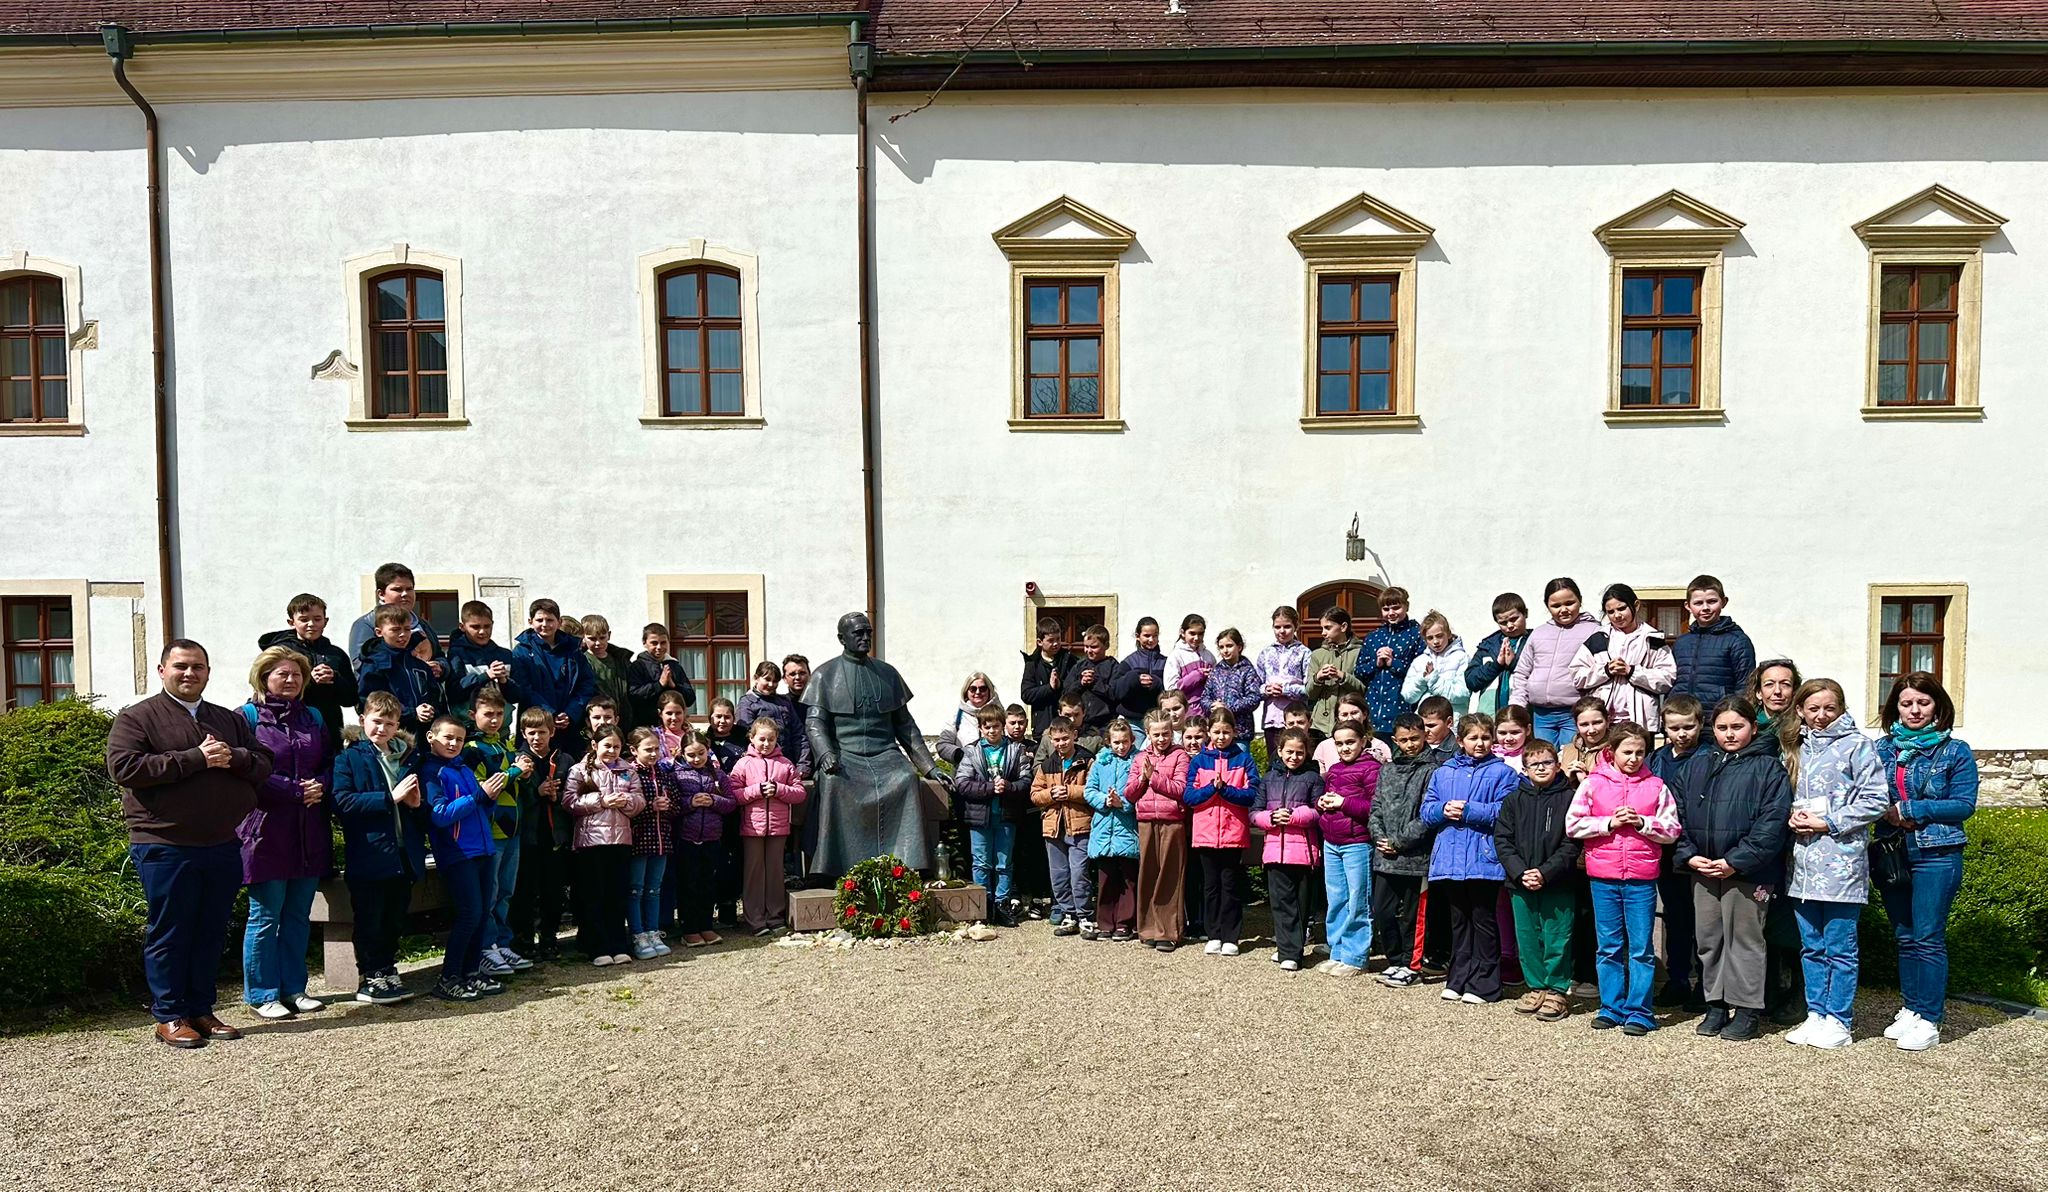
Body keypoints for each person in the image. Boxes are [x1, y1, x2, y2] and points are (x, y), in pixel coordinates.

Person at [106, 640, 273, 1049]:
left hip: (221, 841)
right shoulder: (138, 718)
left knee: (211, 930)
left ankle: (200, 1008)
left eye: (198, 667)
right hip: (164, 842)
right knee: (171, 931)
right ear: (162, 671)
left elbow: (263, 763)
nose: (189, 673)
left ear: (208, 672)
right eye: (181, 666)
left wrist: (233, 756)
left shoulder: (226, 719)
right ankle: (169, 1014)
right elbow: (124, 767)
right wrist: (195, 758)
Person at [1672, 696, 1792, 1042]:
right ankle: (1716, 1004)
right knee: (1709, 939)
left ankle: (1747, 1009)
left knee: (1745, 940)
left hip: (1748, 872)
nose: (1729, 734)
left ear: (1753, 727)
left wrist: (1735, 861)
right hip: (1703, 869)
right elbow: (1675, 815)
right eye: (1722, 727)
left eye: (1737, 726)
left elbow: (1772, 823)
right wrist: (1688, 855)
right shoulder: (1695, 766)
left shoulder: (1769, 768)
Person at [1783, 678, 1889, 1050]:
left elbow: (1876, 799)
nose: (1821, 715)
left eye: (1829, 708)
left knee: (1840, 948)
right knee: (1811, 946)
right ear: (1800, 710)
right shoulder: (1796, 748)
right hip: (1802, 863)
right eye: (1813, 708)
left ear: (1841, 708)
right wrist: (1792, 817)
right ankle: (1816, 1014)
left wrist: (1828, 822)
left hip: (1841, 861)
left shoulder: (1858, 745)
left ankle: (1839, 1020)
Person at [1873, 672, 1977, 1052]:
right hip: (1893, 851)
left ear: (1937, 706)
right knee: (1904, 935)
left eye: (1923, 702)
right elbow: (1867, 794)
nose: (1915, 710)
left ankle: (1930, 1019)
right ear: (1895, 708)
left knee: (1928, 936)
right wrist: (1886, 811)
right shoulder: (1882, 749)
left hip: (1937, 853)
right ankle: (1912, 1008)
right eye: (1906, 703)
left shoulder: (1955, 751)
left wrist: (1911, 809)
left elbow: (1963, 804)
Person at [235, 646, 334, 1021]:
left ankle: (294, 988)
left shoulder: (313, 717)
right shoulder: (246, 718)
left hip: (309, 827)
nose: (291, 680)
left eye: (297, 674)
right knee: (265, 915)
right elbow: (245, 769)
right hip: (265, 829)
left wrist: (321, 785)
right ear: (264, 678)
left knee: (298, 914)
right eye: (283, 674)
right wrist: (293, 791)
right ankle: (262, 994)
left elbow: (329, 761)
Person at [801, 611, 941, 877]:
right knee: (832, 782)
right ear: (842, 638)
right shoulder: (824, 675)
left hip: (885, 754)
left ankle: (907, 866)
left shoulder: (888, 674)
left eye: (868, 632)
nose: (865, 637)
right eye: (858, 633)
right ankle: (832, 868)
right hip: (846, 754)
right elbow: (815, 723)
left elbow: (906, 726)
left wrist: (930, 768)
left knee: (908, 778)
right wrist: (826, 753)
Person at [1567, 723, 1681, 1035]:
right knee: (1608, 945)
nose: (1633, 758)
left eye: (1640, 752)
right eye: (1627, 752)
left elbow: (1672, 829)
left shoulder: (1656, 786)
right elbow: (1573, 825)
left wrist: (1643, 823)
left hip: (1641, 879)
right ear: (1611, 752)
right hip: (1603, 877)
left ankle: (1640, 1011)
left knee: (1641, 947)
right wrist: (1608, 823)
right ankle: (1611, 1007)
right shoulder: (1592, 784)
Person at [331, 691, 427, 1004]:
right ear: (363, 721)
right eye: (376, 721)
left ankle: (387, 968)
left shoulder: (408, 757)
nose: (382, 729)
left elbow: (418, 806)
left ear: (398, 725)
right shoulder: (349, 758)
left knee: (394, 917)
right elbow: (342, 802)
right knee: (370, 918)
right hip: (370, 852)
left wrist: (416, 805)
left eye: (389, 723)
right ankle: (370, 976)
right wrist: (390, 798)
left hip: (403, 852)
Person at [1419, 712, 1518, 1003]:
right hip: (1449, 857)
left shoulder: (1503, 773)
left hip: (1483, 856)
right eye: (1473, 737)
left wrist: (1470, 810)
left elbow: (1507, 812)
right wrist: (1442, 810)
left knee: (1483, 920)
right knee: (1459, 921)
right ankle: (1459, 977)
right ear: (1460, 741)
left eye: (1485, 737)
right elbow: (1426, 810)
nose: (1480, 743)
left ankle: (1485, 983)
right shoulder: (1443, 772)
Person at [1494, 739, 1580, 1021]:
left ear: (1558, 765)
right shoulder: (1513, 800)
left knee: (1557, 937)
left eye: (1547, 763)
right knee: (1527, 937)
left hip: (1557, 881)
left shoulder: (1570, 798)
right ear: (1525, 768)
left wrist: (1545, 872)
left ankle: (1556, 989)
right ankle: (1536, 986)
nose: (1541, 768)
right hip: (1520, 882)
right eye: (1535, 764)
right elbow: (1503, 840)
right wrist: (1520, 872)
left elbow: (1571, 842)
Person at [419, 714, 502, 1001]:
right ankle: (448, 977)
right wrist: (479, 795)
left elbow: (479, 811)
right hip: (458, 853)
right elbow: (440, 815)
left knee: (481, 915)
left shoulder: (464, 768)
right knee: (469, 915)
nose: (454, 744)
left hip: (483, 849)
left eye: (460, 739)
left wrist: (489, 799)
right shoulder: (431, 772)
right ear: (431, 737)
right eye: (448, 738)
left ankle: (471, 971)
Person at [1745, 657, 1806, 1024]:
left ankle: (1798, 992)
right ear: (1758, 691)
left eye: (1785, 684)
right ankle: (1766, 990)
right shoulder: (1747, 727)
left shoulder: (1802, 730)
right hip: (1759, 833)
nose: (1778, 691)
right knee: (1761, 915)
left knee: (1793, 917)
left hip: (1795, 831)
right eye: (1770, 684)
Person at [1370, 714, 1440, 988]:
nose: (1410, 744)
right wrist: (1380, 837)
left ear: (1424, 736)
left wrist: (1399, 841)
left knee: (1413, 917)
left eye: (1414, 738)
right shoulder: (1387, 770)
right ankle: (1395, 960)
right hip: (1385, 856)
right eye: (1404, 740)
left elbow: (1427, 816)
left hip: (1415, 857)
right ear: (1395, 740)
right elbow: (1376, 807)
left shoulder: (1433, 770)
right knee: (1383, 911)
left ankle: (1412, 965)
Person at [565, 726, 642, 966]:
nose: (611, 750)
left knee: (617, 895)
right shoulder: (579, 770)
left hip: (620, 840)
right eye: (607, 745)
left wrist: (625, 801)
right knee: (594, 895)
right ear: (594, 745)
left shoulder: (628, 770)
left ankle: (618, 944)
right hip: (591, 843)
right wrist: (602, 800)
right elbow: (569, 801)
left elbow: (639, 801)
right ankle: (597, 947)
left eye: (616, 746)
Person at [1184, 707, 1258, 956]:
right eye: (1216, 732)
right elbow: (1190, 796)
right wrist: (1211, 789)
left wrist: (1225, 790)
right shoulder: (1199, 761)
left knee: (1230, 885)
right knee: (1210, 886)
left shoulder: (1244, 759)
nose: (1221, 737)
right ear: (1209, 733)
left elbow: (1252, 794)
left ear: (1234, 732)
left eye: (1226, 732)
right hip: (1205, 833)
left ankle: (1231, 936)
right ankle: (1213, 933)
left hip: (1232, 833)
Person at [465, 689, 529, 976]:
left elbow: (515, 782)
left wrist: (524, 773)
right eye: (488, 714)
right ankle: (485, 947)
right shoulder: (471, 749)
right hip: (491, 829)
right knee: (489, 894)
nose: (494, 720)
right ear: (473, 715)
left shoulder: (505, 745)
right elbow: (484, 788)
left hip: (513, 828)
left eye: (499, 714)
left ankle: (502, 943)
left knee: (505, 891)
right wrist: (515, 772)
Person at [1648, 695, 1706, 1011]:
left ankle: (1704, 984)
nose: (1682, 734)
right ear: (1664, 728)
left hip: (1697, 847)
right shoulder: (1656, 759)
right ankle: (1678, 978)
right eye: (1674, 728)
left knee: (1702, 920)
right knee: (1675, 915)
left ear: (1699, 724)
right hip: (1666, 849)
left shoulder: (1709, 756)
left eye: (1688, 727)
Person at [950, 706, 1030, 927]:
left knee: (1004, 863)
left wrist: (1009, 787)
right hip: (980, 817)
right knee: (981, 862)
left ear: (1002, 726)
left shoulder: (1016, 750)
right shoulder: (971, 751)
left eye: (996, 726)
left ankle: (1002, 905)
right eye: (987, 727)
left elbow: (1026, 780)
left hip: (1006, 815)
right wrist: (988, 788)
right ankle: (982, 906)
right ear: (980, 728)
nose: (992, 731)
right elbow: (962, 783)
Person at [728, 717, 806, 935]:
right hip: (752, 827)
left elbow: (799, 793)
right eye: (762, 739)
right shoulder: (743, 764)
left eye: (771, 739)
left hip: (778, 828)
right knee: (753, 873)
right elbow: (733, 794)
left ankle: (775, 917)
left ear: (776, 739)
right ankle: (755, 919)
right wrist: (757, 791)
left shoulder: (785, 764)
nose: (766, 743)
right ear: (752, 739)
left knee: (775, 872)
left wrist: (779, 790)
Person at [1255, 727, 1324, 971]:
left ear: (1307, 753)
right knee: (1281, 904)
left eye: (1299, 752)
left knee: (1300, 905)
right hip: (1275, 851)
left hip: (1303, 853)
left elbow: (1319, 811)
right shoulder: (1268, 778)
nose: (1294, 757)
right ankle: (1289, 951)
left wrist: (1294, 816)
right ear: (1280, 751)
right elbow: (1255, 813)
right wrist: (1272, 817)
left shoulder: (1313, 779)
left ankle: (1292, 949)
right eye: (1289, 752)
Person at [509, 708, 574, 963]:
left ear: (552, 732)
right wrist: (536, 792)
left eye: (542, 732)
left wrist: (556, 796)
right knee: (525, 892)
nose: (537, 738)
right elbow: (513, 798)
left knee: (553, 891)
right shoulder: (517, 760)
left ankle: (549, 939)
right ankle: (524, 940)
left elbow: (573, 795)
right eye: (532, 733)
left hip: (555, 835)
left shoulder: (564, 760)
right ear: (523, 733)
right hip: (527, 836)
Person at [1314, 723, 1379, 976]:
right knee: (1337, 900)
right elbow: (1328, 800)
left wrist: (1344, 802)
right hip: (1332, 841)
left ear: (1363, 741)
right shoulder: (1334, 770)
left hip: (1357, 843)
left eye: (1350, 742)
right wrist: (1321, 804)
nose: (1344, 748)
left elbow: (1375, 807)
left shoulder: (1372, 768)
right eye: (1339, 743)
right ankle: (1338, 951)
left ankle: (1356, 956)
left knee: (1358, 900)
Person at [258, 594, 356, 753]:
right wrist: (307, 680)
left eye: (317, 619)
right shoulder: (280, 652)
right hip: (290, 727)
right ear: (291, 622)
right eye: (304, 620)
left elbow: (351, 698)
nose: (311, 624)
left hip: (329, 728)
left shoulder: (336, 654)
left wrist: (335, 678)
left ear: (326, 621)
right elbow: (268, 690)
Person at [1569, 584, 1676, 731]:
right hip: (1603, 722)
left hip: (1640, 722)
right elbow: (1577, 676)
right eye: (1610, 612)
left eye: (1621, 608)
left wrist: (1632, 671)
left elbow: (1666, 679)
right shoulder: (1598, 639)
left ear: (1636, 605)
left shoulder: (1653, 639)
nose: (1617, 615)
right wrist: (1605, 671)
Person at [1511, 578, 1601, 747]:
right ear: (1547, 606)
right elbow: (1522, 672)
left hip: (1575, 713)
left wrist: (1592, 709)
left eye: (1569, 603)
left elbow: (1600, 673)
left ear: (1580, 601)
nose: (1564, 610)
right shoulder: (1539, 633)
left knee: (1570, 758)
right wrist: (1517, 706)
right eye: (1556, 605)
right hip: (1540, 715)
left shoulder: (1594, 631)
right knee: (1543, 758)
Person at [1129, 709, 1189, 952]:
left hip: (1172, 820)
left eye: (1166, 733)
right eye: (1157, 734)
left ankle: (1168, 931)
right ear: (1148, 734)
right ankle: (1148, 928)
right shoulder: (1139, 758)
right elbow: (1130, 793)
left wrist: (1153, 777)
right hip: (1146, 820)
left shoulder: (1180, 756)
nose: (1162, 738)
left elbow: (1180, 789)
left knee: (1170, 875)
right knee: (1148, 874)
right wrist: (1142, 779)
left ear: (1172, 732)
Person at [1030, 717, 1095, 935]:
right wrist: (1051, 794)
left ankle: (1084, 914)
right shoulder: (1047, 765)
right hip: (1053, 827)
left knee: (1079, 873)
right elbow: (1035, 794)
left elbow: (1094, 790)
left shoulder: (1087, 760)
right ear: (1051, 740)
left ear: (1074, 735)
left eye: (1065, 738)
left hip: (1079, 825)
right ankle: (1069, 914)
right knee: (1058, 875)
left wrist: (1070, 792)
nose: (1061, 743)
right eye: (1057, 740)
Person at [670, 732, 735, 947]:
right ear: (682, 753)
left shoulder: (718, 775)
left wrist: (713, 800)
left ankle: (706, 925)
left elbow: (731, 803)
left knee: (708, 883)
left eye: (701, 753)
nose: (696, 759)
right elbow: (672, 806)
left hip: (712, 837)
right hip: (686, 838)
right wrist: (690, 803)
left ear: (708, 750)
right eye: (691, 755)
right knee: (688, 883)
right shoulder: (676, 775)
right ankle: (689, 929)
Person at [622, 727, 680, 958]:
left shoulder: (664, 773)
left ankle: (653, 932)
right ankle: (638, 934)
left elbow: (677, 804)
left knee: (654, 889)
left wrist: (668, 806)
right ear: (634, 750)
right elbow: (626, 808)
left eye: (657, 749)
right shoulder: (629, 773)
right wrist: (649, 807)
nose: (654, 754)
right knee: (635, 889)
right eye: (648, 749)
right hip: (638, 840)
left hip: (661, 839)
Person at [1082, 718, 1142, 941]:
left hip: (1127, 829)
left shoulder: (1137, 761)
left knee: (1128, 880)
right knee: (1106, 879)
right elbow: (1089, 790)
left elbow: (1141, 792)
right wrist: (1105, 801)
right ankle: (1105, 922)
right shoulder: (1101, 762)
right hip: (1104, 828)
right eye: (1116, 742)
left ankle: (1125, 923)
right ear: (1108, 742)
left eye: (1125, 741)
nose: (1121, 746)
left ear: (1132, 740)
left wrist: (1123, 803)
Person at [513, 598, 595, 749]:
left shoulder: (573, 649)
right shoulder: (521, 652)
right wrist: (550, 714)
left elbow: (587, 684)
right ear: (530, 621)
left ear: (559, 621)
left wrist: (571, 713)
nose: (545, 624)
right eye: (540, 620)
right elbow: (524, 688)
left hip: (569, 725)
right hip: (537, 726)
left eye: (550, 620)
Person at [1670, 575, 1756, 709]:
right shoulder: (1682, 642)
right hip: (1683, 716)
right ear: (1688, 606)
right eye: (1698, 603)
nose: (1705, 608)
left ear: (1723, 602)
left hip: (1719, 716)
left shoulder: (1737, 641)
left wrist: (1736, 714)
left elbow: (1745, 686)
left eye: (1712, 601)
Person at [357, 605, 444, 734]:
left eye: (407, 629)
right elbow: (370, 701)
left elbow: (435, 694)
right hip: (390, 734)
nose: (403, 634)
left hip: (423, 732)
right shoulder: (375, 663)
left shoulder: (419, 665)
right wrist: (411, 713)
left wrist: (430, 710)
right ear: (379, 632)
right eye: (395, 630)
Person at [345, 562, 446, 672]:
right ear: (381, 594)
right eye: (398, 589)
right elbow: (361, 664)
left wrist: (440, 667)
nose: (405, 594)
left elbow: (440, 656)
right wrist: (413, 667)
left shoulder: (422, 624)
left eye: (409, 589)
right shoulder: (366, 624)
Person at [1353, 588, 1424, 741]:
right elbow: (1358, 671)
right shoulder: (1373, 637)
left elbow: (1421, 672)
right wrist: (1376, 664)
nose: (1391, 613)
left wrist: (1394, 663)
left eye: (1396, 608)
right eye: (1386, 609)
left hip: (1402, 711)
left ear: (1406, 607)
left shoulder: (1416, 634)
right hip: (1372, 713)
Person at [444, 600, 522, 720]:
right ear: (462, 627)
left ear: (492, 624)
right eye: (475, 627)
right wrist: (486, 676)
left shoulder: (505, 655)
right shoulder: (456, 654)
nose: (482, 632)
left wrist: (504, 681)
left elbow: (516, 697)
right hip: (468, 727)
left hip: (501, 727)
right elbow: (454, 693)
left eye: (487, 626)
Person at [1255, 606, 1312, 756]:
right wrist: (1266, 690)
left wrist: (1286, 690)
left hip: (1296, 719)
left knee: (1296, 757)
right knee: (1274, 759)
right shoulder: (1266, 653)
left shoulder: (1304, 653)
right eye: (1277, 627)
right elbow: (1255, 687)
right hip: (1272, 719)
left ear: (1296, 626)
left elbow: (1309, 689)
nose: (1282, 631)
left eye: (1287, 626)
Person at [1305, 606, 1366, 739]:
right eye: (1322, 628)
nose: (1323, 633)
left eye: (1328, 628)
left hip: (1349, 721)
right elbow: (1310, 694)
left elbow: (1363, 689)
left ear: (1343, 627)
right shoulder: (1318, 655)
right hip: (1320, 725)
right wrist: (1318, 677)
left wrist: (1342, 676)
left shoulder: (1361, 652)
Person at [1464, 593, 1530, 716]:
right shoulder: (1488, 645)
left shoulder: (1536, 640)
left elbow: (1542, 676)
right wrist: (1497, 665)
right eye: (1503, 622)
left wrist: (1514, 664)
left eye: (1514, 619)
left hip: (1523, 713)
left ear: (1525, 613)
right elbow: (1471, 680)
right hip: (1490, 715)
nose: (1510, 626)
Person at [737, 660, 809, 772]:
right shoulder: (747, 703)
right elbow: (746, 736)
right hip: (762, 768)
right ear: (756, 678)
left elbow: (799, 735)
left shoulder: (784, 703)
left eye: (775, 681)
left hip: (788, 765)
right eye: (767, 679)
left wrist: (803, 765)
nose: (771, 684)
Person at [1400, 610, 1472, 719]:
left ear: (1448, 634)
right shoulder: (1420, 661)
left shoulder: (1461, 658)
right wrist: (1422, 679)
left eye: (1439, 636)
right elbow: (1408, 696)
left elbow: (1462, 694)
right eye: (1430, 638)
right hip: (1425, 721)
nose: (1435, 641)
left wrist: (1434, 680)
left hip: (1452, 720)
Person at [628, 623, 696, 729]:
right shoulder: (638, 666)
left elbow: (690, 698)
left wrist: (674, 686)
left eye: (663, 643)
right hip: (646, 727)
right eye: (654, 643)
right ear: (644, 643)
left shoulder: (675, 666)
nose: (659, 647)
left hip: (673, 727)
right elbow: (634, 696)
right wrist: (659, 685)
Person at [1063, 625, 1128, 733]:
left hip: (1104, 724)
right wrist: (1081, 683)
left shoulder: (1114, 667)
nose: (1088, 651)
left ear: (1106, 645)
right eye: (1086, 646)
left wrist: (1095, 682)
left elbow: (1115, 694)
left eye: (1094, 647)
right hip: (1079, 725)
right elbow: (1065, 694)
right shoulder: (1078, 666)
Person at [1020, 618, 1077, 738]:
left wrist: (1060, 686)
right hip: (1043, 728)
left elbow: (1075, 689)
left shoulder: (1069, 660)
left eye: (1058, 639)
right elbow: (1026, 694)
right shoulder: (1033, 664)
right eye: (1051, 640)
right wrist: (1049, 688)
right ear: (1040, 642)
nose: (1056, 644)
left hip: (1068, 727)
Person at [1201, 627, 1262, 738]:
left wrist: (1228, 707)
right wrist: (1212, 706)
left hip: (1240, 731)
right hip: (1218, 731)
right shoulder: (1216, 671)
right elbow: (1205, 697)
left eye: (1229, 646)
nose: (1225, 650)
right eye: (1221, 647)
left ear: (1239, 647)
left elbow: (1254, 698)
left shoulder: (1247, 670)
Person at [935, 672, 1004, 768]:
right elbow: (943, 745)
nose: (978, 692)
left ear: (989, 691)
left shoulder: (1002, 714)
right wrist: (960, 755)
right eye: (973, 689)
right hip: (965, 773)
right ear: (966, 692)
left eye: (983, 689)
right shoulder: (957, 717)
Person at [1312, 692, 1392, 770]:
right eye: (1344, 715)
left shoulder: (1379, 746)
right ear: (1338, 719)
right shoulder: (1324, 747)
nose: (1350, 718)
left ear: (1364, 714)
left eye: (1354, 713)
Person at [1161, 614, 1216, 717]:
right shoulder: (1176, 656)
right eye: (1192, 633)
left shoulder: (1209, 656)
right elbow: (1171, 689)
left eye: (1200, 634)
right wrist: (1197, 675)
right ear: (1182, 632)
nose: (1196, 638)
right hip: (1188, 712)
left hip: (1208, 711)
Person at [1116, 616, 1166, 723]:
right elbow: (1116, 691)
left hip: (1158, 720)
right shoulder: (1128, 663)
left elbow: (1171, 688)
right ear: (1138, 636)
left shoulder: (1166, 662)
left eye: (1155, 636)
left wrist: (1157, 682)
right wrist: (1134, 679)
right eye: (1147, 636)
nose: (1151, 640)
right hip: (1133, 720)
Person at [1033, 693, 1101, 768]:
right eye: (1067, 715)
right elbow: (1037, 766)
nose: (1072, 720)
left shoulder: (1094, 739)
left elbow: (1102, 764)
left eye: (1076, 715)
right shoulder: (1048, 738)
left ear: (1083, 713)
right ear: (1059, 713)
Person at [1558, 696, 1613, 783]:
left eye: (1597, 723)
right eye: (1584, 724)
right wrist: (1567, 778)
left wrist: (1585, 780)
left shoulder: (1616, 751)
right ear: (1576, 726)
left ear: (1608, 721)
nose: (1591, 730)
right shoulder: (1566, 751)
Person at [1492, 704, 1532, 772]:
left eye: (1515, 732)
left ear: (1528, 730)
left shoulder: (1534, 756)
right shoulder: (1489, 754)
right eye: (1502, 733)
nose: (1509, 738)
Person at [1417, 695, 1457, 763]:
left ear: (1449, 722)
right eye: (1422, 726)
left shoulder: (1458, 752)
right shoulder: (1414, 746)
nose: (1425, 731)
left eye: (1431, 726)